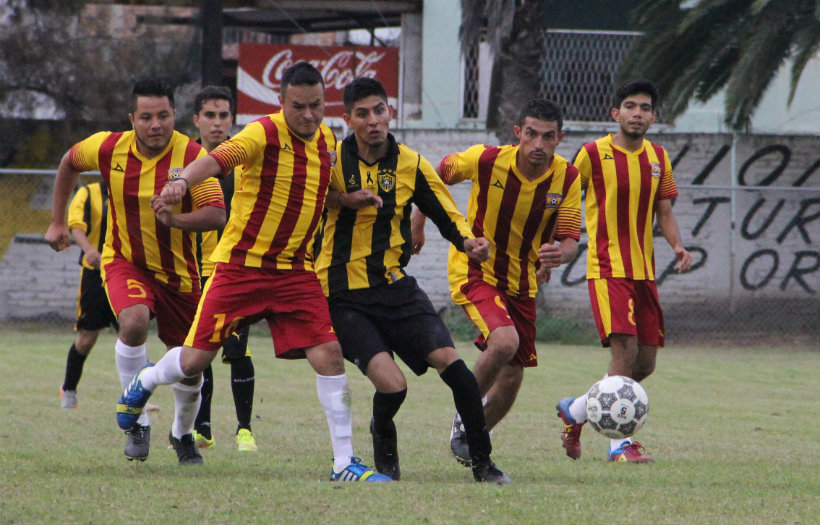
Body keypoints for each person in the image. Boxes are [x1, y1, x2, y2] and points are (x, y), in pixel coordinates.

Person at [116, 62, 390, 481]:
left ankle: (344, 464)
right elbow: (217, 159)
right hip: (241, 267)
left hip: (295, 272)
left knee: (330, 356)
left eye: (317, 105)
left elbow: (322, 194)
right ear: (281, 103)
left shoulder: (327, 141)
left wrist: (348, 199)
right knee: (193, 362)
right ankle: (149, 378)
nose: (309, 115)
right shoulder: (262, 132)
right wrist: (182, 182)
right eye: (299, 107)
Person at [313, 77, 509, 484]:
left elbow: (444, 210)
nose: (373, 121)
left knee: (456, 371)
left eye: (379, 110)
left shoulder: (411, 164)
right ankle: (382, 435)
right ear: (347, 119)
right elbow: (307, 198)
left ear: (390, 113)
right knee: (394, 386)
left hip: (396, 288)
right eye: (363, 113)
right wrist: (343, 199)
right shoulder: (329, 161)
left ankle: (483, 463)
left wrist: (469, 241)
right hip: (343, 295)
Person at [45, 78, 226, 462]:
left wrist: (175, 222)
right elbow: (68, 162)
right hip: (125, 260)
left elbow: (216, 214)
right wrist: (58, 222)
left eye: (163, 115)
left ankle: (182, 434)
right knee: (133, 323)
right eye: (146, 117)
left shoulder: (192, 155)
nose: (155, 124)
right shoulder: (110, 147)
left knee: (192, 366)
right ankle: (138, 420)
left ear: (175, 115)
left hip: (180, 273)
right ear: (132, 118)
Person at [413, 98, 582, 466]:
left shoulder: (567, 177)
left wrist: (559, 255)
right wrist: (419, 221)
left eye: (548, 136)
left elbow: (569, 238)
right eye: (532, 134)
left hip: (522, 283)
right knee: (505, 342)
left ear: (559, 139)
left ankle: (472, 439)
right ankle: (466, 416)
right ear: (518, 133)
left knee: (512, 378)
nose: (538, 144)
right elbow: (432, 177)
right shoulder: (486, 159)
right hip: (476, 269)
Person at [555, 79, 692, 463]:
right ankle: (620, 446)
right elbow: (565, 196)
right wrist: (556, 242)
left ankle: (577, 410)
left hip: (644, 272)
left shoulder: (659, 158)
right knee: (625, 351)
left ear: (654, 116)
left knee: (645, 363)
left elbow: (664, 211)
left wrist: (677, 246)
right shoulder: (592, 153)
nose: (637, 113)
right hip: (606, 267)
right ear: (615, 113)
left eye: (644, 107)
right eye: (629, 106)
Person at [191, 85, 258, 452]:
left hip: (233, 267)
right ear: (196, 119)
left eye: (224, 116)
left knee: (237, 350)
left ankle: (245, 429)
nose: (217, 123)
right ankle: (202, 428)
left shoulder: (244, 158)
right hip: (191, 270)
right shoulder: (183, 158)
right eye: (210, 116)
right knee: (200, 348)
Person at [58, 180, 119, 410]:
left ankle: (137, 398)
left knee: (132, 335)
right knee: (87, 338)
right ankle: (69, 389)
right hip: (94, 275)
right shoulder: (87, 192)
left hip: (126, 273)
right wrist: (89, 250)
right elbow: (75, 226)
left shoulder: (133, 187)